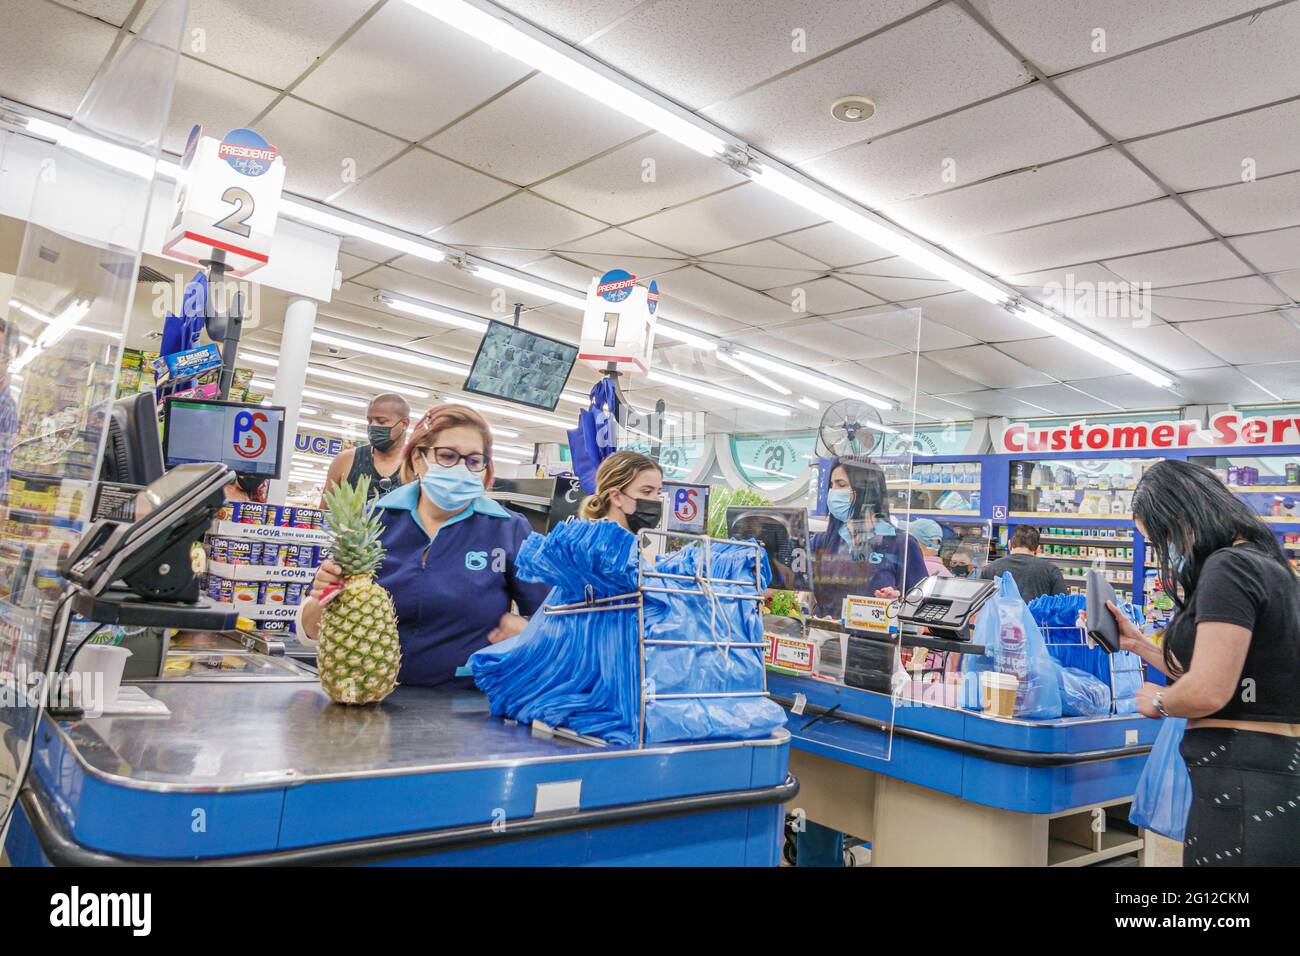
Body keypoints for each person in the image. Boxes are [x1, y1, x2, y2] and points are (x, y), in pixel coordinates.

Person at [1106, 459, 1300, 866]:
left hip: (1240, 772)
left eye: (1161, 539)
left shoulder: (1228, 566)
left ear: (1181, 517)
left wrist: (1160, 701)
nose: (1167, 551)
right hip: (1269, 769)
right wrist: (1139, 645)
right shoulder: (1267, 565)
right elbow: (1226, 668)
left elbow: (1209, 689)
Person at [300, 405, 551, 686]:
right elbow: (311, 628)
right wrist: (325, 598)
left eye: (473, 461)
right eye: (446, 456)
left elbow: (552, 617)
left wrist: (527, 632)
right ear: (418, 459)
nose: (460, 468)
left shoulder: (508, 529)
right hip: (363, 694)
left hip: (467, 704)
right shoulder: (370, 521)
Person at [809, 458, 927, 619]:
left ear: (866, 491)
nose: (833, 492)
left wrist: (896, 603)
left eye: (841, 485)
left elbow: (921, 607)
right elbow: (786, 577)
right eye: (832, 485)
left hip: (874, 641)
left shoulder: (901, 545)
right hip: (824, 638)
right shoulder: (821, 541)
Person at [320, 393, 410, 504]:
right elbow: (324, 514)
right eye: (370, 421)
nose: (373, 426)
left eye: (381, 421)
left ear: (404, 424)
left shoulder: (418, 464)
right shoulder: (344, 461)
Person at [577, 450, 663, 532]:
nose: (657, 500)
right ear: (616, 497)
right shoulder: (598, 546)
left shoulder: (628, 543)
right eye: (647, 492)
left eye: (658, 493)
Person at [978, 525, 1066, 601]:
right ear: (1038, 549)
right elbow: (1062, 606)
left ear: (1009, 544)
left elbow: (978, 606)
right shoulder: (1051, 570)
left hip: (998, 620)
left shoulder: (989, 569)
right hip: (1035, 621)